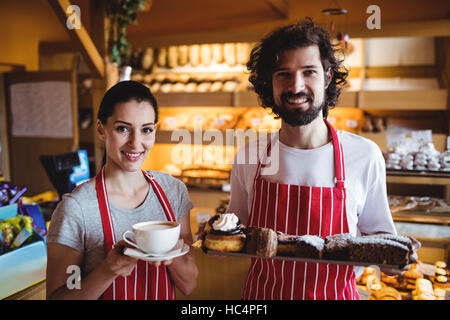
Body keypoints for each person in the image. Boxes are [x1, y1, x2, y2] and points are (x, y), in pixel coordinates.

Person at [226, 18, 410, 300]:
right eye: (283, 74)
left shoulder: (364, 155)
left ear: (327, 76)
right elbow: (231, 235)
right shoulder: (248, 156)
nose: (296, 86)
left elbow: (384, 244)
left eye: (308, 72)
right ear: (269, 83)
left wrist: (398, 259)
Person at [46, 80, 198, 300]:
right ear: (101, 129)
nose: (136, 143)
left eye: (146, 130)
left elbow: (190, 284)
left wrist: (168, 253)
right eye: (123, 128)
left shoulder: (173, 192)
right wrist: (108, 270)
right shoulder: (77, 208)